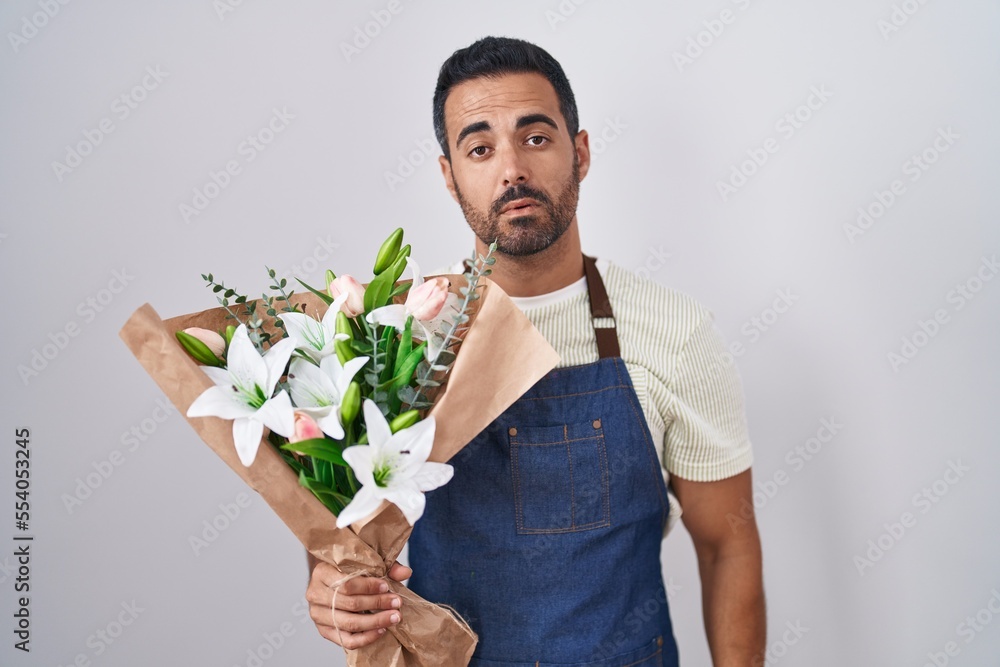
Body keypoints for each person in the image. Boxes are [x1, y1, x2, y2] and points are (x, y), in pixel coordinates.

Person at [306, 36, 765, 666]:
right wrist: (332, 583)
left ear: (580, 152)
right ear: (449, 176)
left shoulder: (672, 332)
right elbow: (339, 520)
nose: (511, 169)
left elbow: (726, 545)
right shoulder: (394, 336)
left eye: (536, 137)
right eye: (479, 147)